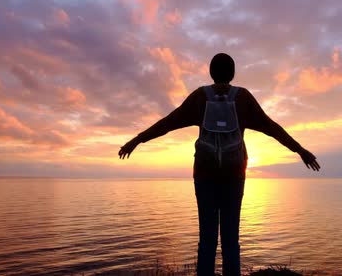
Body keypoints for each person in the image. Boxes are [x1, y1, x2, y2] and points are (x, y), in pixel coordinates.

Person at [118, 53, 320, 276]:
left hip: (204, 174)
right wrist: (299, 150)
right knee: (230, 240)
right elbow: (271, 127)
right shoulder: (242, 98)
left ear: (210, 73)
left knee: (207, 239)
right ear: (233, 73)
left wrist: (137, 139)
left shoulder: (200, 97)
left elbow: (168, 122)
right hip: (234, 174)